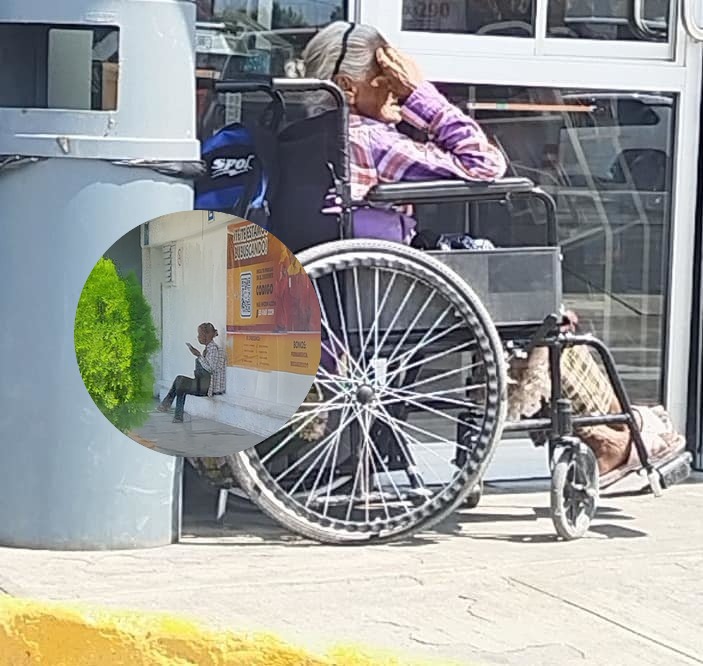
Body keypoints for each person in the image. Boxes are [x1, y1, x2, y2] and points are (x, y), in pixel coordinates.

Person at [299, 21, 686, 479]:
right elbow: (485, 164)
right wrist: (424, 95)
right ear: (347, 87)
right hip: (381, 296)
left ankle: (610, 434)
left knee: (517, 297)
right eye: (389, 81)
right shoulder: (368, 139)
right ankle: (610, 438)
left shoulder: (302, 135)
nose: (398, 94)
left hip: (342, 292)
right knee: (541, 313)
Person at [157, 322, 226, 423]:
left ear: (206, 335)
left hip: (207, 387)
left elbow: (211, 369)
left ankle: (168, 407)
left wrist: (198, 355)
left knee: (180, 381)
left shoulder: (213, 349)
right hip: (201, 382)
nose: (198, 337)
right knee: (180, 382)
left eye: (200, 334)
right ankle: (175, 413)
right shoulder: (208, 349)